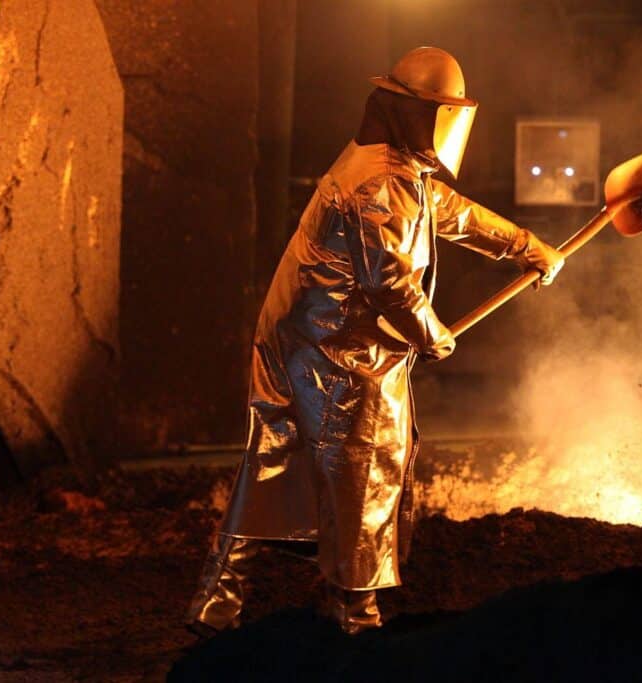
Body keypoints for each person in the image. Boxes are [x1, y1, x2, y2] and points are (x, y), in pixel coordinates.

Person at [185, 46, 564, 636]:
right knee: (364, 473)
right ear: (418, 112)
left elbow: (446, 210)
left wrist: (524, 245)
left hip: (303, 338)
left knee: (272, 468)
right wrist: (431, 335)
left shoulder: (387, 162)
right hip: (339, 354)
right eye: (441, 111)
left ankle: (217, 600)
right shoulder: (380, 182)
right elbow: (389, 282)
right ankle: (356, 618)